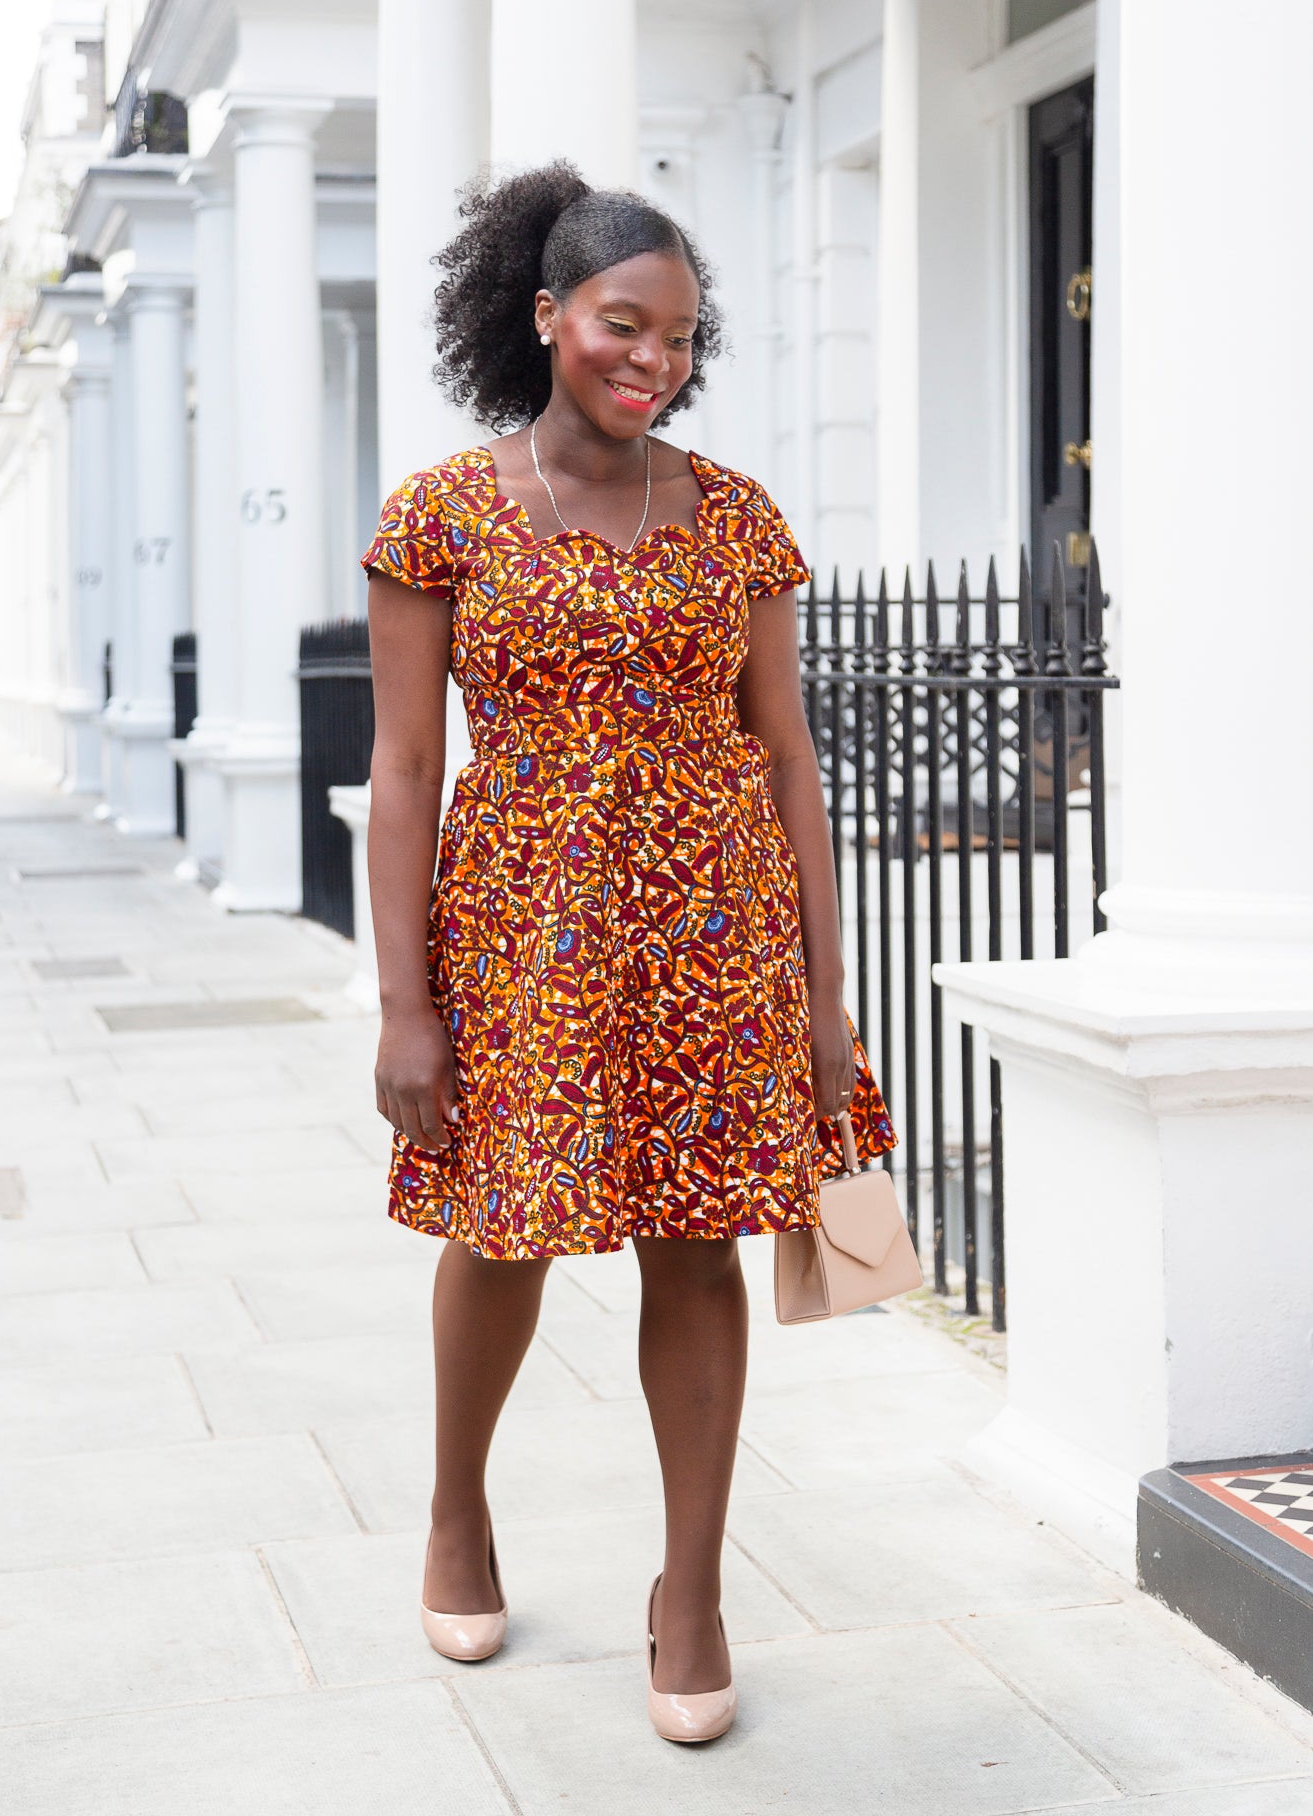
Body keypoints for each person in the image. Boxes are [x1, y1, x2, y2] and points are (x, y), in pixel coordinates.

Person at [362, 162, 895, 1744]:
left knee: (699, 1246)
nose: (651, 358)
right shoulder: (444, 513)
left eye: (678, 334)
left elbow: (786, 756)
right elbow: (403, 770)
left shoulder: (733, 515)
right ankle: (456, 1512)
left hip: (711, 937)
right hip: (520, 933)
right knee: (508, 1232)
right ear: (544, 318)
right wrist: (403, 1005)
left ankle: (694, 1592)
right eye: (621, 325)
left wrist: (820, 985)